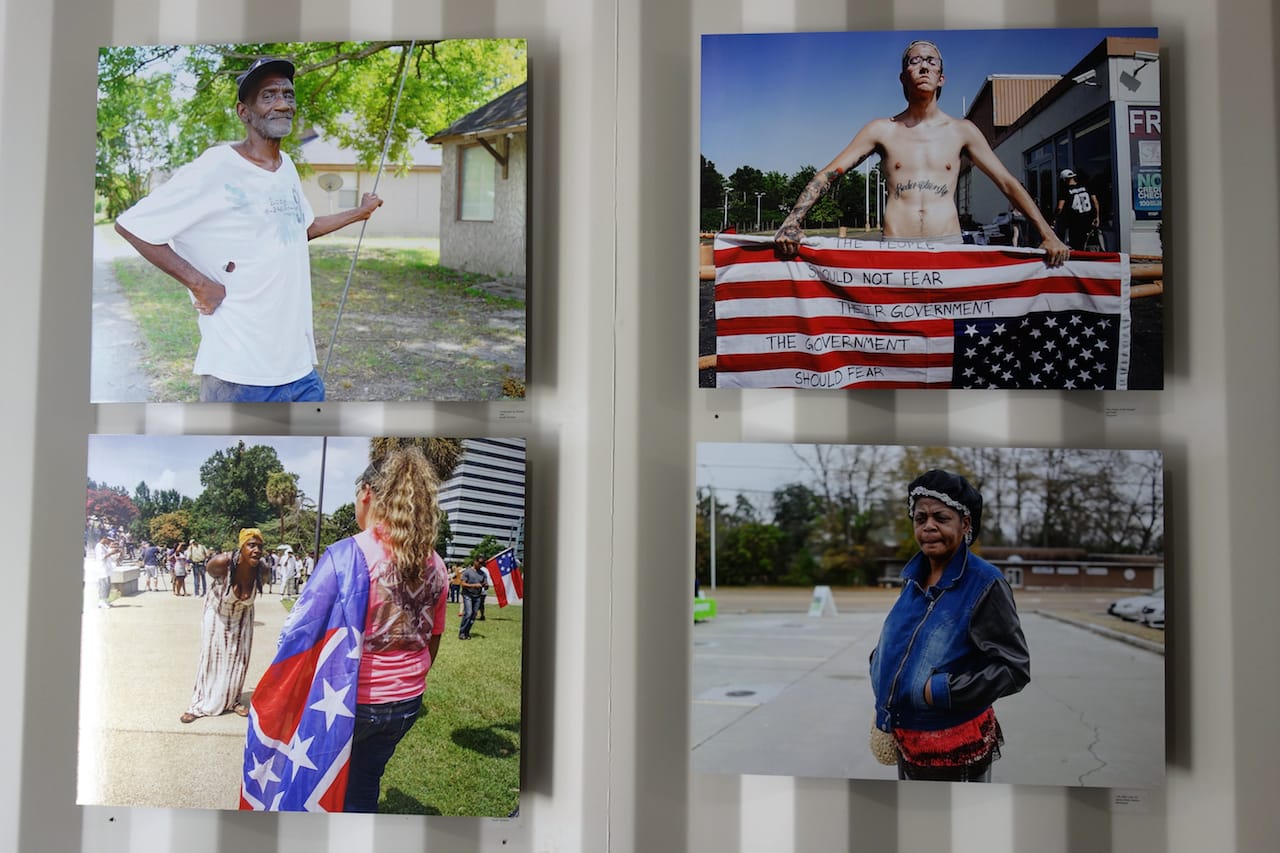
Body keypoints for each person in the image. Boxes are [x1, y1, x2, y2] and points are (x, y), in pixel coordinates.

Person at [113, 57, 385, 403]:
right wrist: (200, 284)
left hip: (300, 372)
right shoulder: (216, 166)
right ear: (244, 112)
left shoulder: (285, 167)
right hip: (238, 376)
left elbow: (302, 229)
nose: (283, 103)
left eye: (288, 94)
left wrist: (359, 213)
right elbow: (133, 226)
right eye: (268, 96)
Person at [242, 447, 449, 812]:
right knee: (365, 782)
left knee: (317, 786)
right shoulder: (436, 563)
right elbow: (433, 640)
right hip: (406, 702)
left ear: (367, 493)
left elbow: (296, 633)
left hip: (348, 703)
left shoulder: (346, 554)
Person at [774, 40, 1069, 267]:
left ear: (942, 78)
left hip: (949, 245)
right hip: (896, 247)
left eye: (931, 62)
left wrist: (1047, 233)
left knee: (946, 337)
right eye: (915, 62)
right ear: (903, 77)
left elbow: (1007, 182)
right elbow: (828, 174)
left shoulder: (962, 131)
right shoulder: (881, 130)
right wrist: (791, 222)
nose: (924, 67)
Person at [869, 469, 1030, 782]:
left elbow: (1014, 668)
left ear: (965, 523)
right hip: (908, 738)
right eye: (920, 518)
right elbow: (904, 644)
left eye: (941, 517)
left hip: (955, 749)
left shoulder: (985, 583)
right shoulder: (912, 579)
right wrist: (882, 672)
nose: (928, 526)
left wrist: (939, 691)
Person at [180, 528, 271, 723]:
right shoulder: (222, 563)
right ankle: (198, 704)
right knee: (211, 657)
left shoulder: (262, 570)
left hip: (243, 614)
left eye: (259, 546)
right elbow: (208, 572)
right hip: (217, 612)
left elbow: (261, 582)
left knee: (239, 659)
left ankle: (233, 700)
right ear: (241, 547)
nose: (256, 550)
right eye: (251, 545)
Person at [1053, 169, 1101, 250]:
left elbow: (1059, 208)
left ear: (1064, 179)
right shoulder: (1086, 186)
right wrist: (1097, 217)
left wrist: (1055, 218)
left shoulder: (1065, 190)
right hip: (1089, 219)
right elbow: (1095, 202)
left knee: (1077, 246)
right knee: (1091, 244)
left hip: (1075, 222)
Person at [458, 557, 488, 640]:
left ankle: (467, 632)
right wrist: (474, 585)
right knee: (468, 613)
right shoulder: (467, 572)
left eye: (482, 564)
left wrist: (485, 586)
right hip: (467, 595)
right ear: (475, 561)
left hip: (477, 596)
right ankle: (462, 632)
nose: (481, 565)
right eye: (480, 563)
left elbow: (485, 585)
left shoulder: (483, 574)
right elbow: (463, 584)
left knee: (474, 615)